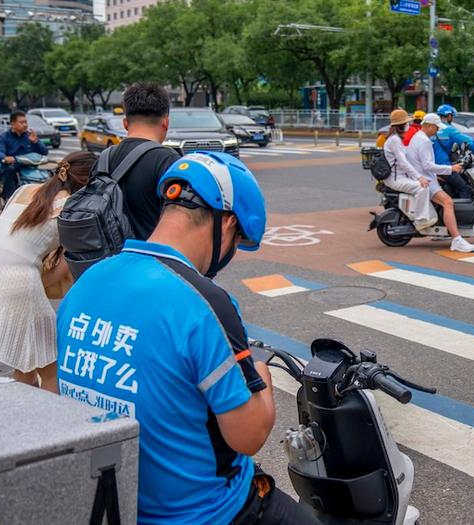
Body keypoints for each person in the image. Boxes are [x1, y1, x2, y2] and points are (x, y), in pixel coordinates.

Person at [56, 152, 317, 525]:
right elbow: (248, 436)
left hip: (117, 502)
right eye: (238, 240)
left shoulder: (89, 281)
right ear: (226, 225)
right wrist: (264, 383)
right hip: (203, 513)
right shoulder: (206, 304)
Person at [0, 151, 96, 393]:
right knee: (51, 371)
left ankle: (23, 419)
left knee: (25, 366)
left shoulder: (24, 191)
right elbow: (60, 271)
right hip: (19, 284)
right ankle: (53, 425)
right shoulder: (69, 208)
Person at [106, 82, 182, 241]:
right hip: (151, 258)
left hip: (109, 260)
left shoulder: (104, 158)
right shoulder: (168, 160)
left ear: (125, 124)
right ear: (165, 123)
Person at [409, 113, 474, 253]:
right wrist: (450, 168)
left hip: (424, 176)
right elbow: (428, 165)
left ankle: (444, 232)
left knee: (447, 196)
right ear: (428, 126)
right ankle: (457, 240)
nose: (437, 131)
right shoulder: (425, 141)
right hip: (425, 179)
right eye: (435, 127)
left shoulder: (418, 137)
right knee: (448, 202)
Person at [381, 109, 436, 230]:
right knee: (422, 187)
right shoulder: (395, 140)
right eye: (407, 123)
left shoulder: (395, 139)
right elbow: (404, 163)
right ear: (401, 125)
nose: (408, 125)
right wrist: (419, 177)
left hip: (400, 176)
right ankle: (420, 220)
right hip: (396, 179)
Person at [0, 110, 49, 208]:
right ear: (13, 124)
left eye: (25, 122)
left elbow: (44, 152)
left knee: (48, 174)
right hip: (12, 166)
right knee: (10, 170)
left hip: (29, 166)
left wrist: (36, 142)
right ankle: (8, 198)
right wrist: (5, 158)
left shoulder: (30, 136)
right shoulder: (3, 137)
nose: (25, 125)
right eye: (21, 122)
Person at [429, 105, 474, 199]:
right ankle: (463, 212)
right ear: (449, 116)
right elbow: (467, 141)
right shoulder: (448, 129)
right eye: (452, 116)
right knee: (465, 188)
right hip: (443, 167)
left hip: (431, 166)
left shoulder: (431, 130)